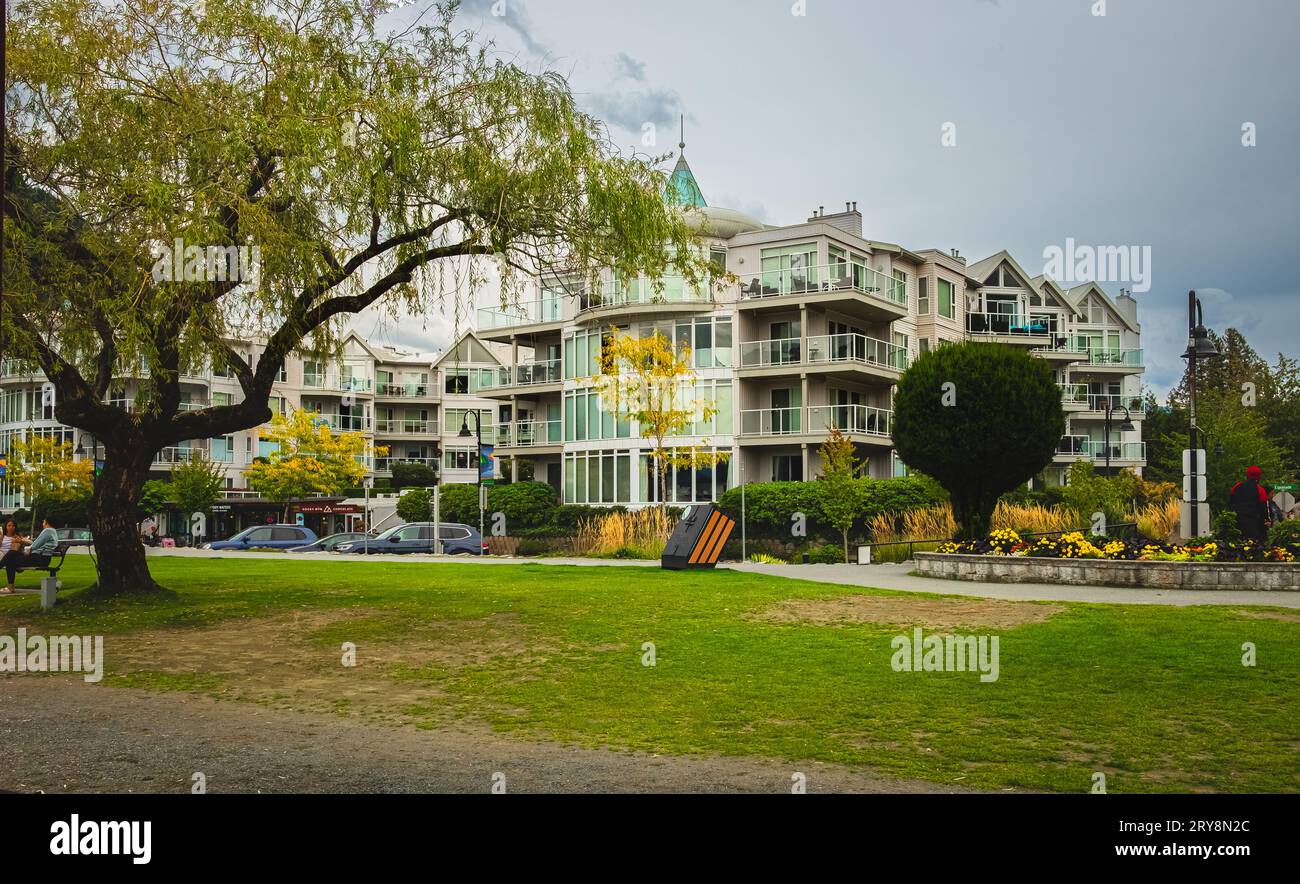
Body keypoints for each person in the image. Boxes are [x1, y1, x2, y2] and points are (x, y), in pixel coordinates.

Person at [1, 517, 59, 594]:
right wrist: (23, 542)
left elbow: (35, 545)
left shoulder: (47, 531)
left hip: (39, 558)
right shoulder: (53, 531)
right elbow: (36, 544)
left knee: (11, 559)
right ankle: (10, 587)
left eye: (43, 521)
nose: (43, 523)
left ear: (46, 523)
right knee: (12, 553)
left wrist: (24, 546)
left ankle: (10, 587)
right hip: (41, 558)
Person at [1228, 466, 1270, 544]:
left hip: (1236, 520)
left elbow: (1230, 502)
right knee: (1253, 545)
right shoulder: (1260, 490)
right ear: (1259, 476)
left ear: (1247, 475)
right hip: (1253, 522)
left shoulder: (1237, 486)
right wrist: (1264, 522)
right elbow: (1263, 509)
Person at [0, 520, 31, 595]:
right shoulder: (2, 536)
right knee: (8, 557)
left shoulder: (17, 537)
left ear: (15, 527)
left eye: (13, 526)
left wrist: (20, 541)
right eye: (9, 525)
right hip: (2, 555)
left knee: (12, 553)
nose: (11, 527)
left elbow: (30, 542)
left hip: (11, 556)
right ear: (6, 527)